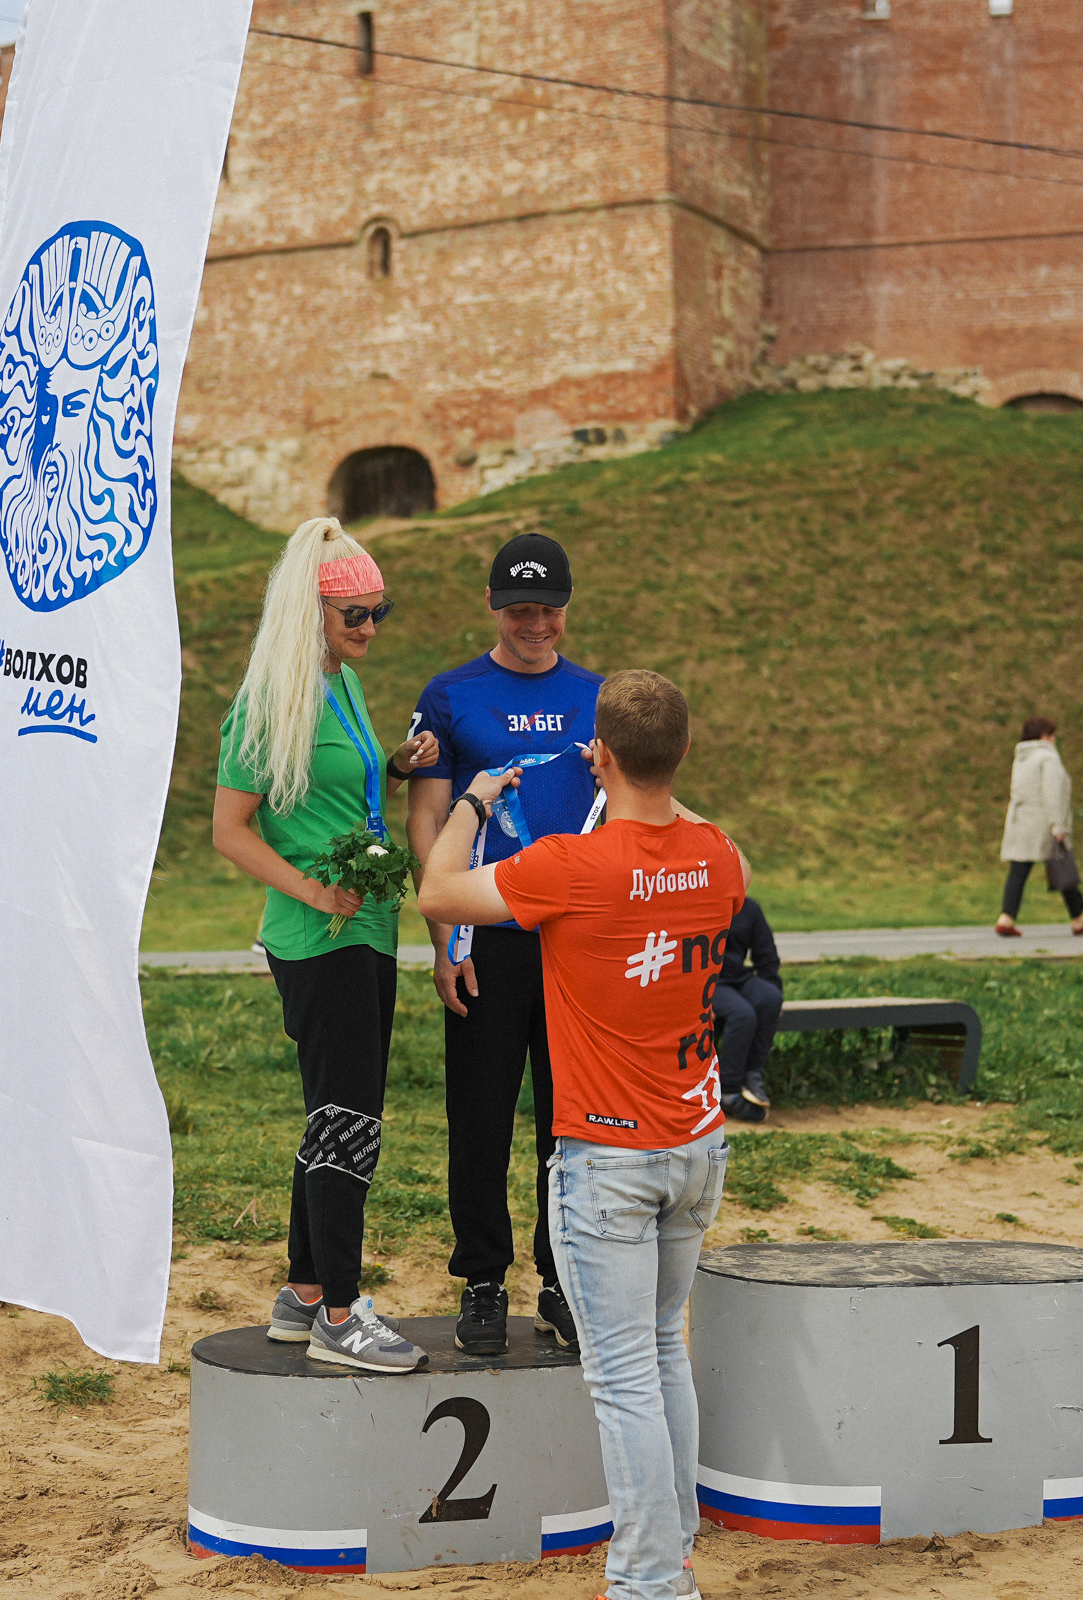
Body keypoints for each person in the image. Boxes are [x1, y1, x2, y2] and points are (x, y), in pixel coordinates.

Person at [419, 668, 744, 1600]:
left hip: (610, 1161)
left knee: (627, 1379)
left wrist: (475, 800)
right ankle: (673, 1546)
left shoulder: (571, 865)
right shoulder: (720, 856)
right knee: (662, 1351)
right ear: (683, 753)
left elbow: (440, 893)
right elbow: (694, 835)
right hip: (696, 1146)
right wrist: (656, 786)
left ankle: (649, 1579)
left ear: (598, 756)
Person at [212, 517, 438, 1374]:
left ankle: (304, 1292)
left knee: (336, 1115)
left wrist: (395, 766)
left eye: (381, 610)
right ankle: (342, 1314)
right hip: (319, 935)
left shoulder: (341, 683)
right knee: (349, 1119)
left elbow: (340, 791)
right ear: (311, 614)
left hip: (367, 926)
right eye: (356, 615)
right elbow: (230, 831)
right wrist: (310, 888)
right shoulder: (267, 704)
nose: (372, 627)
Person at [406, 533, 603, 1357]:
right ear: (493, 606)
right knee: (480, 1116)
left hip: (576, 945)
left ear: (566, 607)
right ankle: (484, 1279)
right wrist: (445, 938)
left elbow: (630, 811)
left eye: (549, 609)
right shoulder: (451, 695)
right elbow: (428, 819)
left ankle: (563, 1280)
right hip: (485, 935)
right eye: (520, 609)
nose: (536, 624)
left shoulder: (599, 696)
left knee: (572, 1124)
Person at [996, 717, 1083, 938]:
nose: (1054, 739)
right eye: (1052, 735)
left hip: (1020, 821)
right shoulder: (1048, 758)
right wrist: (1057, 825)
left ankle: (1006, 918)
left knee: (1018, 871)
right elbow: (1052, 794)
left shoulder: (1021, 757)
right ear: (1044, 736)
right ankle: (1078, 919)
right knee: (1062, 867)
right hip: (1042, 822)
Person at [715, 895, 782, 1123]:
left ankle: (753, 1073)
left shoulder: (750, 908)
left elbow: (766, 955)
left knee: (770, 998)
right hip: (708, 982)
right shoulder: (702, 901)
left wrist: (774, 989)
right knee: (743, 1014)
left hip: (737, 977)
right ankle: (728, 1090)